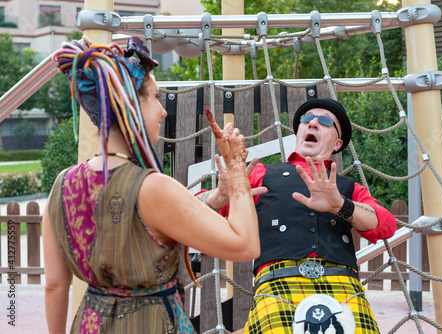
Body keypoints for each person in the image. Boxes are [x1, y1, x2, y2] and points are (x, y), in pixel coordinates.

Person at [42, 37, 260, 334]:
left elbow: (55, 286)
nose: (163, 110)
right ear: (132, 104)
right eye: (155, 97)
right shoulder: (152, 186)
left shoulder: (62, 184)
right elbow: (245, 244)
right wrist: (236, 169)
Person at [197, 98, 397, 333]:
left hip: (343, 286)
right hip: (277, 284)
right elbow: (192, 213)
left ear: (337, 143)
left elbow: (386, 225)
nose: (312, 123)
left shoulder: (348, 188)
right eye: (306, 119)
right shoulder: (261, 175)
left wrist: (340, 205)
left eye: (324, 121)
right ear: (299, 131)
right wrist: (220, 196)